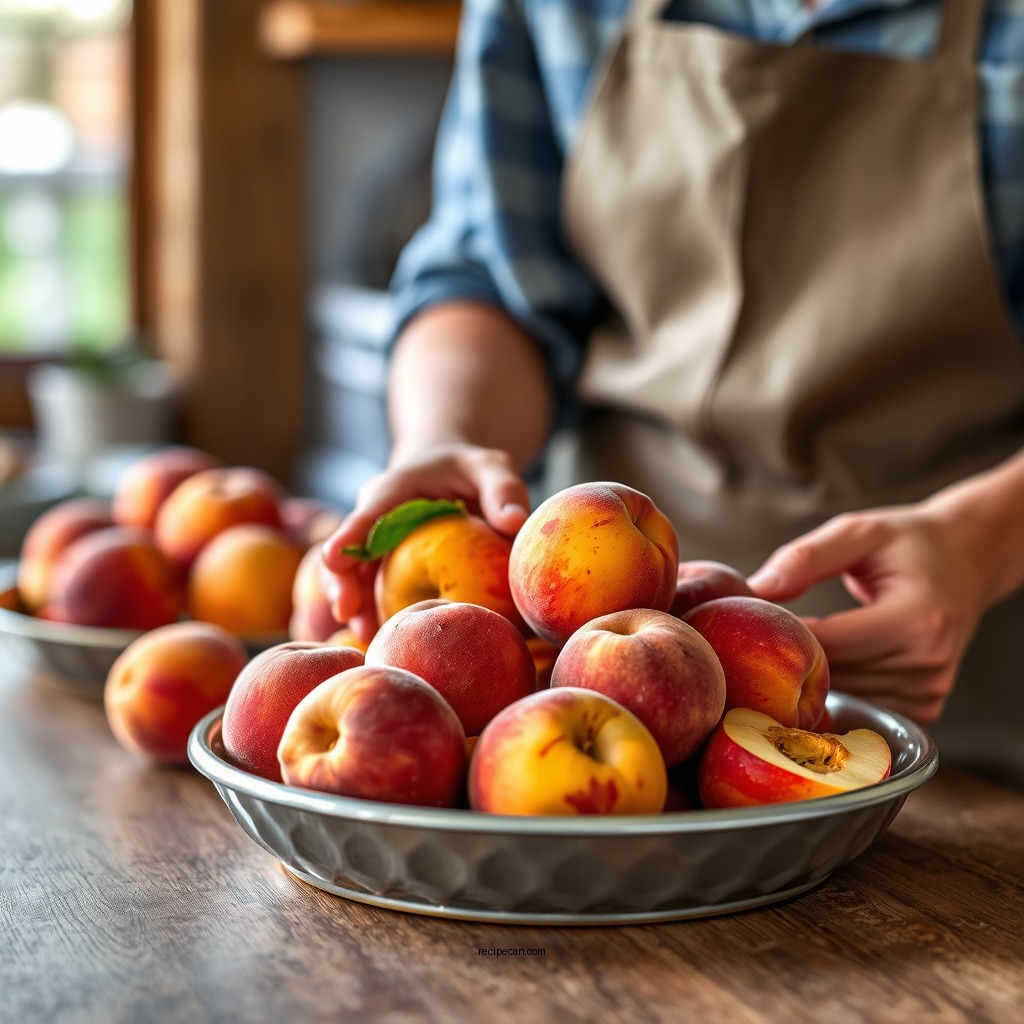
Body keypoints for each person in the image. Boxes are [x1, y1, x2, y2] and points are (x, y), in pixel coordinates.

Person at [322, 0, 1024, 786]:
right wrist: (442, 440)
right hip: (579, 718)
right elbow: (494, 275)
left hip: (975, 717)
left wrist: (981, 541)